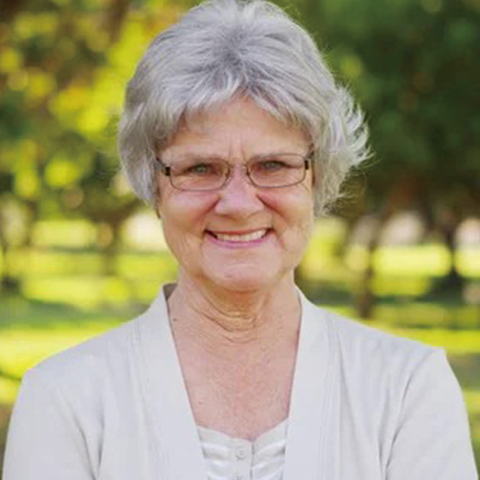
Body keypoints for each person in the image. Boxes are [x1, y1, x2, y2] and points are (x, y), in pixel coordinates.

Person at [3, 0, 478, 478]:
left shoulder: (406, 391)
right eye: (200, 168)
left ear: (317, 178)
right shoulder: (65, 401)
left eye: (273, 165)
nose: (238, 203)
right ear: (155, 185)